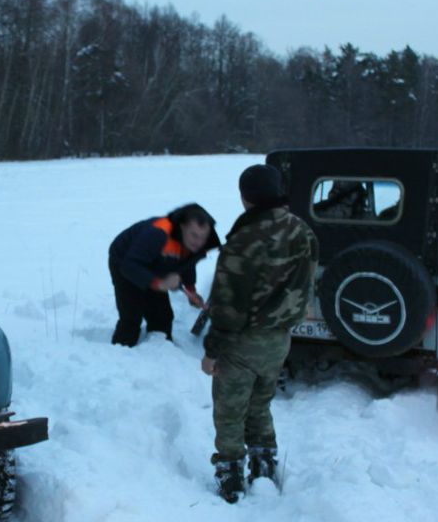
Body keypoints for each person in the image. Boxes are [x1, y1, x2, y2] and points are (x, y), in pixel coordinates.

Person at [201, 165, 319, 502]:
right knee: (261, 403)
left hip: (243, 341)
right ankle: (264, 464)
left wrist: (212, 352)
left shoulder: (244, 241)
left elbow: (226, 305)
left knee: (230, 410)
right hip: (280, 339)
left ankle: (230, 474)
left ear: (245, 197)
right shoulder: (303, 230)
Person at [108, 203, 219, 346]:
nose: (198, 242)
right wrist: (158, 283)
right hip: (125, 260)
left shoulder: (198, 242)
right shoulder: (157, 233)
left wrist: (191, 290)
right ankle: (121, 352)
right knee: (131, 315)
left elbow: (188, 263)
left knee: (162, 317)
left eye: (202, 237)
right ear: (182, 227)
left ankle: (160, 352)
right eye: (194, 235)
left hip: (157, 263)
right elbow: (129, 266)